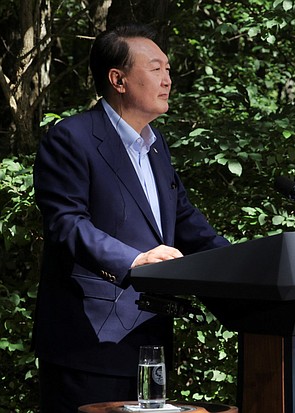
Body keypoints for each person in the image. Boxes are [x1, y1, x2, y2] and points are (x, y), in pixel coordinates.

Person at [33, 24, 229, 413]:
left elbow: (187, 222)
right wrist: (134, 260)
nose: (168, 79)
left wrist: (243, 264)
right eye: (156, 69)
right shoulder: (72, 137)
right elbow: (67, 223)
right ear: (118, 79)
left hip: (150, 339)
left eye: (169, 70)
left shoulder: (157, 148)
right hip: (89, 342)